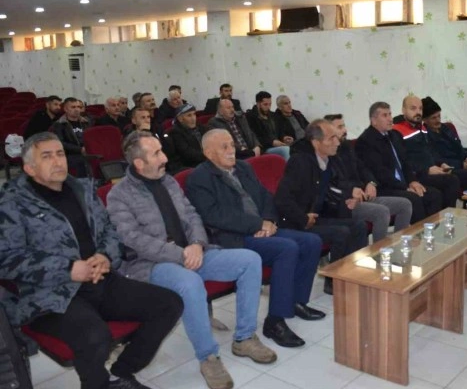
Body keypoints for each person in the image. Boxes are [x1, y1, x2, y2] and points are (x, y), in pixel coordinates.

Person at [0, 132, 183, 389]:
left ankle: (122, 373)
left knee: (169, 304)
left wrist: (105, 256)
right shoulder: (12, 203)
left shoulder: (83, 189)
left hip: (100, 279)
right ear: (29, 168)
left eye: (60, 154)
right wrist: (68, 269)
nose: (58, 161)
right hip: (50, 295)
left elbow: (110, 230)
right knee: (95, 336)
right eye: (47, 156)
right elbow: (7, 258)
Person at [107, 131, 277, 389]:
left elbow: (192, 215)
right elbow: (133, 239)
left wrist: (197, 243)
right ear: (139, 163)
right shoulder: (118, 195)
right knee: (190, 283)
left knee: (250, 260)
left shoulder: (169, 182)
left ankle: (244, 338)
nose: (165, 158)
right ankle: (208, 356)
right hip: (152, 264)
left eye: (162, 150)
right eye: (157, 153)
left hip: (194, 252)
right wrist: (181, 254)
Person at [186, 129, 325, 348]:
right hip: (232, 238)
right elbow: (215, 216)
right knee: (286, 248)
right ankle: (275, 321)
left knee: (311, 242)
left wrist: (268, 220)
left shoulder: (243, 167)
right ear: (208, 153)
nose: (231, 150)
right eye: (224, 147)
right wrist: (257, 225)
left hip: (261, 228)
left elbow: (266, 197)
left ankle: (296, 301)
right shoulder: (199, 178)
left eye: (232, 144)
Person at [275, 119, 368, 295]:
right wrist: (303, 218)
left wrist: (349, 197)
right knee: (341, 232)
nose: (337, 142)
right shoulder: (299, 162)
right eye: (331, 138)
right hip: (296, 221)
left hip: (316, 216)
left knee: (359, 226)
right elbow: (282, 199)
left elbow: (330, 189)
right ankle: (333, 281)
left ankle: (353, 274)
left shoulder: (327, 160)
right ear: (316, 143)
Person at [324, 114, 412, 241]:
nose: (345, 130)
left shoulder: (347, 147)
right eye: (339, 127)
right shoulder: (328, 153)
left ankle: (400, 244)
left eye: (344, 126)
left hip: (363, 195)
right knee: (381, 212)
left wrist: (371, 183)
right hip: (346, 201)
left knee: (405, 204)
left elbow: (362, 168)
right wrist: (351, 191)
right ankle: (380, 250)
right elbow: (333, 183)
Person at [356, 102, 444, 224]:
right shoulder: (366, 141)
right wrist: (405, 187)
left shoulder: (395, 135)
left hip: (402, 184)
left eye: (390, 114)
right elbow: (381, 173)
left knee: (434, 194)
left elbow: (405, 162)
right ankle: (419, 233)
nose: (390, 119)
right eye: (385, 115)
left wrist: (412, 181)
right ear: (374, 120)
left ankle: (433, 230)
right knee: (414, 198)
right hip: (385, 187)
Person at [392, 95, 460, 208]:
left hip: (430, 170)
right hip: (417, 175)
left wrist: (441, 163)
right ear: (403, 110)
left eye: (420, 108)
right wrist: (426, 170)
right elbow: (403, 160)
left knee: (458, 176)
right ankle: (447, 216)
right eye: (413, 108)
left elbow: (430, 151)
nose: (418, 112)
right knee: (451, 181)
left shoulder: (422, 128)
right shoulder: (397, 131)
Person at [52, 97, 92, 177]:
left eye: (79, 107)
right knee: (82, 162)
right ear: (66, 109)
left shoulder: (86, 122)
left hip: (88, 151)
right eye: (73, 107)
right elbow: (60, 143)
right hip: (71, 154)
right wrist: (80, 149)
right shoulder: (59, 124)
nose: (77, 109)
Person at [247, 91, 290, 160]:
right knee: (285, 150)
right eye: (265, 104)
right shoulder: (251, 117)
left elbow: (280, 132)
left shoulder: (273, 115)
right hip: (264, 148)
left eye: (270, 104)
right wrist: (272, 142)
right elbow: (255, 137)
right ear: (258, 104)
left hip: (278, 144)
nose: (268, 107)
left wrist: (284, 137)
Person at [168, 103, 207, 169]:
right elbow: (188, 153)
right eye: (189, 115)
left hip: (206, 160)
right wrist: (209, 156)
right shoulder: (176, 132)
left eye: (194, 114)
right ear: (180, 119)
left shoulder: (200, 127)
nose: (193, 118)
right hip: (192, 166)